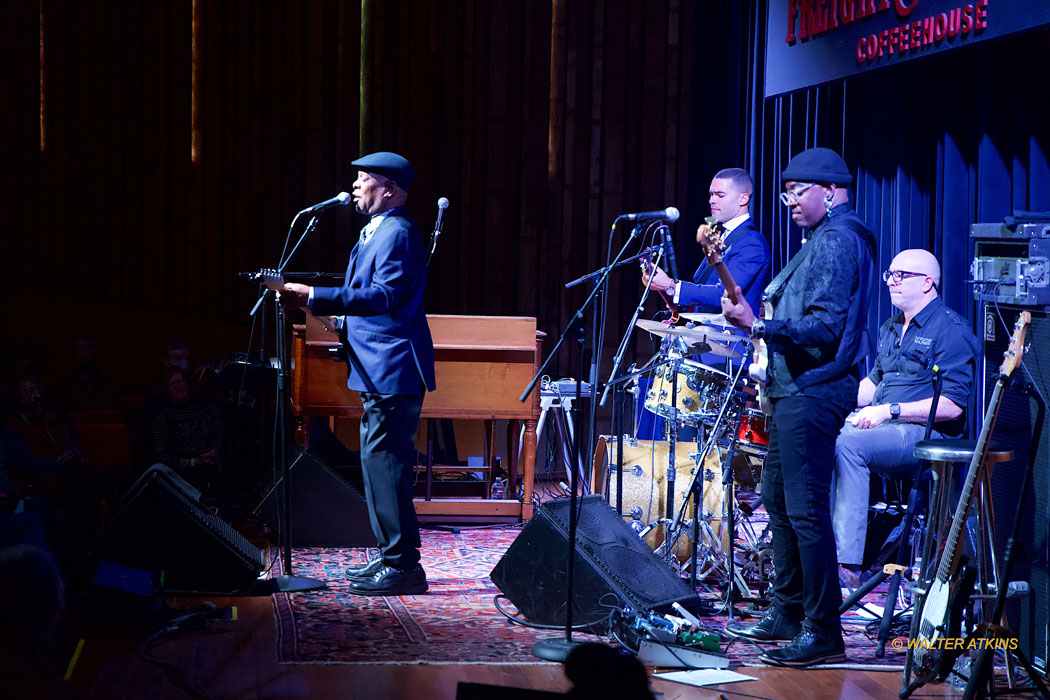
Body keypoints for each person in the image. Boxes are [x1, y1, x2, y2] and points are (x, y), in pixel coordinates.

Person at [720, 147, 877, 667]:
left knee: (806, 510)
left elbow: (826, 329)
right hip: (795, 389)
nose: (787, 200)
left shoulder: (836, 240)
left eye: (797, 191)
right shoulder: (824, 238)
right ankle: (787, 611)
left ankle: (822, 630)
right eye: (786, 191)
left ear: (829, 192)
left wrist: (759, 326)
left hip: (814, 391)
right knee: (778, 499)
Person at [279, 151, 436, 596]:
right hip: (376, 369)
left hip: (393, 370)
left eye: (365, 179)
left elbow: (383, 297)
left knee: (387, 469)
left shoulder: (399, 233)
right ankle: (392, 557)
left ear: (390, 189)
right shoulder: (378, 231)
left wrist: (316, 296)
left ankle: (404, 566)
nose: (355, 186)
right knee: (376, 467)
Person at [832, 249, 978, 586]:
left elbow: (953, 406)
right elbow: (874, 383)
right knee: (818, 432)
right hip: (887, 426)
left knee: (849, 444)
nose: (891, 282)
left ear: (927, 283)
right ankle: (819, 552)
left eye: (901, 275)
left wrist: (889, 411)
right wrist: (826, 402)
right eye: (890, 275)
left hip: (924, 434)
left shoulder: (951, 329)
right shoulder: (891, 325)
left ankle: (846, 564)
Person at [643, 167, 771, 318]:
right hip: (706, 335)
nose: (711, 200)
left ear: (743, 199)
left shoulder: (751, 243)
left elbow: (725, 294)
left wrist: (671, 285)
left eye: (720, 195)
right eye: (711, 194)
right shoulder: (723, 235)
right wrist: (666, 290)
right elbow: (704, 293)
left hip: (730, 338)